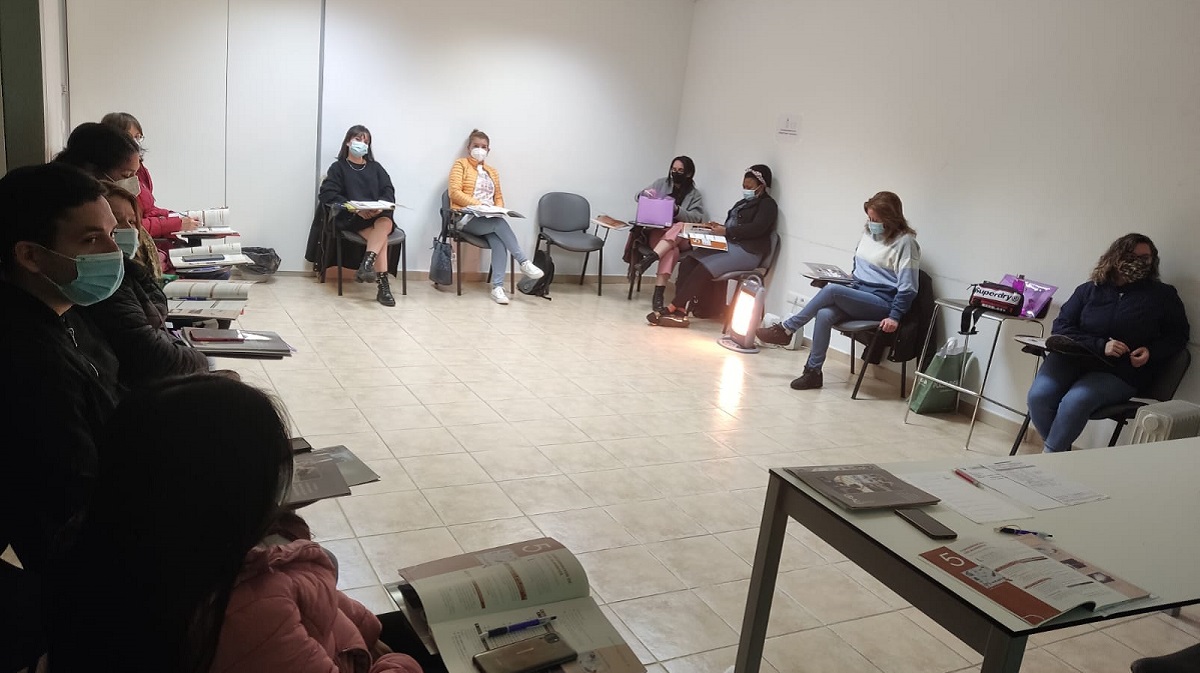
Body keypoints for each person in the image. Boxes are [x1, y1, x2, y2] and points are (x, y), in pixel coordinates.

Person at [47, 375, 429, 673]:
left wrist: (357, 627)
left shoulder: (110, 543)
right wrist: (396, 662)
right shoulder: (245, 612)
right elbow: (272, 617)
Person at [0, 163, 123, 571]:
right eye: (91, 239)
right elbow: (78, 493)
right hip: (83, 556)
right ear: (30, 255)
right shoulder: (27, 359)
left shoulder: (63, 308)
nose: (114, 252)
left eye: (112, 234)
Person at [56, 123, 211, 387]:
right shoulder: (96, 277)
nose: (113, 247)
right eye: (94, 238)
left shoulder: (122, 269)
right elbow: (147, 352)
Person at [1025, 233, 1189, 453]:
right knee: (1039, 397)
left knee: (1076, 401)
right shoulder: (1089, 290)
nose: (1140, 262)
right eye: (1133, 256)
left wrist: (1151, 351)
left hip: (1120, 370)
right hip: (1072, 359)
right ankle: (1060, 455)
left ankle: (1050, 457)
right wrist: (1100, 345)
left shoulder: (1163, 296)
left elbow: (1178, 336)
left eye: (1146, 258)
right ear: (1116, 257)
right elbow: (1062, 327)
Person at [756, 191, 920, 390]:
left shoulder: (906, 243)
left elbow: (908, 287)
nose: (871, 223)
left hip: (882, 302)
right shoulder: (868, 234)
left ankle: (786, 329)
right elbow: (860, 268)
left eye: (876, 220)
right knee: (824, 314)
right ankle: (813, 372)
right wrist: (842, 278)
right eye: (869, 218)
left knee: (832, 290)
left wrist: (895, 316)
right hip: (859, 292)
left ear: (891, 219)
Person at [648, 164, 778, 327]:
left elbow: (756, 228)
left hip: (748, 252)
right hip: (730, 245)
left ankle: (671, 308)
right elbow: (732, 226)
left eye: (750, 187)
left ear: (762, 186)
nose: (746, 190)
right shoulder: (742, 203)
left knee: (704, 268)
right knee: (688, 262)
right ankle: (680, 310)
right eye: (744, 186)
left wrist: (727, 231)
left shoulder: (768, 205)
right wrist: (718, 228)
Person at [447, 129, 542, 304]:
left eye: (483, 147)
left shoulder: (492, 171)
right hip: (465, 218)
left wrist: (498, 209)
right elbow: (454, 192)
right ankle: (523, 261)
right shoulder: (460, 165)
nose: (480, 149)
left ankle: (497, 288)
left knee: (499, 241)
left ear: (488, 150)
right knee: (498, 224)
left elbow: (498, 196)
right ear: (469, 148)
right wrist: (479, 205)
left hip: (488, 218)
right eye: (476, 146)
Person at [317, 124, 400, 306]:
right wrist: (354, 208)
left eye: (366, 141)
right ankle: (383, 286)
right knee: (381, 240)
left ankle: (367, 264)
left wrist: (380, 207)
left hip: (377, 215)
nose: (362, 144)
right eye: (358, 139)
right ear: (348, 142)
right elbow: (327, 194)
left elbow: (388, 190)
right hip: (354, 217)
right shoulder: (338, 168)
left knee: (385, 222)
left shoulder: (376, 168)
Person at [100, 111, 202, 237]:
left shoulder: (140, 169)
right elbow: (131, 225)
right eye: (130, 137)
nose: (136, 142)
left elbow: (149, 210)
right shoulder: (107, 178)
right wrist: (175, 223)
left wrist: (177, 216)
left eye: (138, 137)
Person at [626, 156, 706, 313]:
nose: (676, 173)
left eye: (680, 170)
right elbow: (638, 197)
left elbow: (696, 218)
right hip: (659, 233)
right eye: (673, 169)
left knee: (680, 225)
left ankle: (651, 258)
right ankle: (658, 295)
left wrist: (676, 210)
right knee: (671, 251)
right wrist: (644, 194)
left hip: (682, 237)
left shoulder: (694, 195)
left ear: (689, 173)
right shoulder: (660, 183)